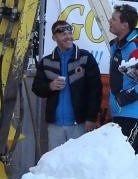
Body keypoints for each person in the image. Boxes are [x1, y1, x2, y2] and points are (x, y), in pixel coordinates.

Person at [31, 19, 101, 152]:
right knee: (55, 162)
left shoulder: (85, 58)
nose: (68, 36)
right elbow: (36, 88)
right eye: (63, 34)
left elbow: (95, 90)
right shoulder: (46, 61)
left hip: (79, 123)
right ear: (54, 38)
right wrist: (50, 86)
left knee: (78, 161)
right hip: (55, 124)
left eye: (70, 33)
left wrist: (91, 118)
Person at [107, 3, 138, 153]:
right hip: (121, 113)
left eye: (114, 19)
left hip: (133, 114)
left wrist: (122, 99)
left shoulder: (135, 50)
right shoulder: (117, 46)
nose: (109, 21)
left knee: (128, 157)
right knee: (126, 157)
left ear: (125, 25)